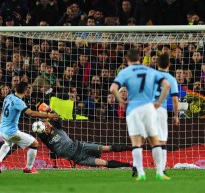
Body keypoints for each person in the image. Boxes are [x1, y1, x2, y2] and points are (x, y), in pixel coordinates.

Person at [110, 48, 171, 181]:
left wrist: (121, 101)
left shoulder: (125, 72)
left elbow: (113, 89)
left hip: (133, 109)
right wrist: (159, 102)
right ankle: (160, 172)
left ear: (127, 59)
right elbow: (166, 85)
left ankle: (141, 172)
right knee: (155, 141)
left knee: (137, 143)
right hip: (149, 107)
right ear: (139, 58)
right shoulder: (150, 70)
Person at [37, 103, 132, 168]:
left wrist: (49, 109)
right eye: (44, 123)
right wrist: (41, 116)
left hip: (81, 146)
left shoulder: (57, 128)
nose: (47, 123)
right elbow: (40, 132)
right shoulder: (46, 139)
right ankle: (128, 165)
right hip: (78, 159)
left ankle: (132, 148)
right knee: (104, 163)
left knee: (106, 148)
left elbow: (57, 118)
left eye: (46, 122)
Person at [0, 82, 59, 174]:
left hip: (2, 130)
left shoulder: (8, 97)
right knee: (34, 143)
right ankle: (28, 168)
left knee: (8, 143)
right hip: (11, 132)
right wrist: (49, 116)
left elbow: (2, 112)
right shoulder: (19, 102)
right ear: (25, 91)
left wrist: (0, 123)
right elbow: (31, 113)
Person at [153, 53, 179, 175]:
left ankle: (137, 166)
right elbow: (174, 99)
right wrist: (176, 115)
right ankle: (161, 170)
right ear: (169, 64)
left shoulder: (150, 76)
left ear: (157, 64)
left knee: (145, 139)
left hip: (147, 108)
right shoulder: (171, 79)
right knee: (161, 140)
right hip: (160, 110)